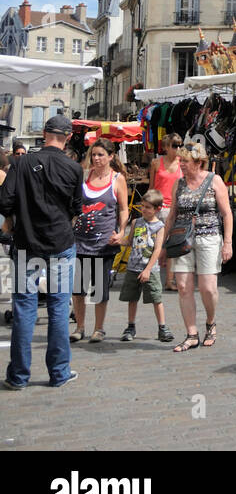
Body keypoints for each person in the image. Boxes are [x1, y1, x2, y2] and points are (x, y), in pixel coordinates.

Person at [1, 115, 84, 389]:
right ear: (68, 136)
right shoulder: (73, 168)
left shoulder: (21, 162)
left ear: (44, 133)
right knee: (59, 306)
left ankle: (18, 376)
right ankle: (59, 372)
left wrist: (14, 218)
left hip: (27, 242)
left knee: (24, 307)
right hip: (60, 242)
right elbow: (76, 207)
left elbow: (5, 200)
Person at [168, 141, 235, 352]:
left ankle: (211, 321)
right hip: (182, 240)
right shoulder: (178, 184)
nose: (181, 165)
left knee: (208, 288)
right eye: (180, 160)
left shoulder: (214, 181)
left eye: (185, 161)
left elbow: (226, 214)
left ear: (198, 162)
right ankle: (191, 333)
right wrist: (163, 244)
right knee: (183, 287)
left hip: (209, 238)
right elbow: (172, 215)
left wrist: (228, 243)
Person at [71, 141, 130, 343]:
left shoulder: (117, 179)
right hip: (80, 241)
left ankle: (99, 328)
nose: (96, 158)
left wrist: (121, 231)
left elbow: (123, 208)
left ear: (111, 156)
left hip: (104, 244)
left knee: (99, 289)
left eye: (101, 155)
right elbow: (75, 204)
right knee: (78, 288)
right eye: (94, 154)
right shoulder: (84, 175)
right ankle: (79, 327)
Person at [118, 189, 173, 343]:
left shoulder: (160, 227)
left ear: (157, 209)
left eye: (148, 207)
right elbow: (129, 241)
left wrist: (148, 269)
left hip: (151, 269)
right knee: (132, 299)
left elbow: (157, 250)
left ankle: (162, 327)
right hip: (133, 267)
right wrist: (117, 240)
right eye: (142, 206)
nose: (144, 209)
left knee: (156, 298)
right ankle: (130, 326)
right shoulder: (136, 222)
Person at [149, 133, 184, 291]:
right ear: (166, 147)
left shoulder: (182, 164)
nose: (177, 149)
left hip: (174, 209)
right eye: (174, 145)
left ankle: (169, 280)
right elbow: (151, 186)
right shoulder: (156, 163)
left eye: (179, 145)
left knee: (171, 246)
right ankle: (149, 276)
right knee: (154, 245)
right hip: (158, 208)